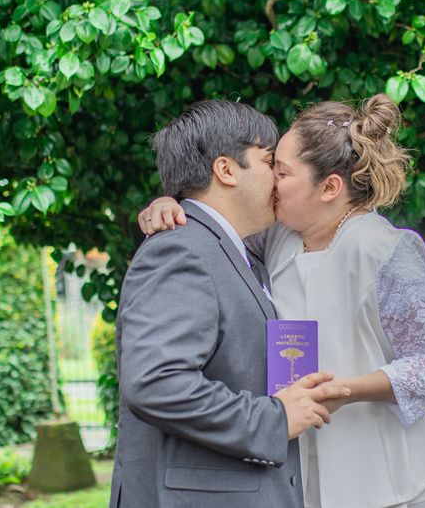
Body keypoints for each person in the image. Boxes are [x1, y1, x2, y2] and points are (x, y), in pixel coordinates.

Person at [139, 94, 425, 508]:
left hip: (390, 479)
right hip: (299, 473)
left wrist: (345, 389)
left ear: (329, 187)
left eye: (282, 171)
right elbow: (217, 220)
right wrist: (171, 204)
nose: (271, 182)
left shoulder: (385, 249)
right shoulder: (274, 239)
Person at [110, 100, 352, 508]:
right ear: (225, 170)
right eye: (268, 161)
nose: (278, 177)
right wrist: (273, 419)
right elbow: (156, 381)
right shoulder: (180, 249)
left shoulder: (237, 252)